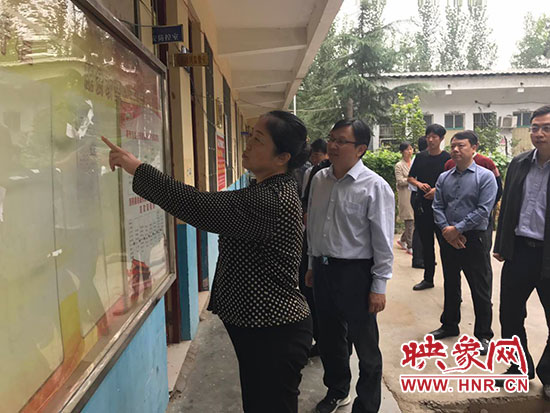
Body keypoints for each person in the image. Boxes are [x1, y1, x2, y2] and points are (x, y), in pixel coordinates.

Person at [103, 110, 313, 413]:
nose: (247, 144)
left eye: (258, 140)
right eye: (250, 135)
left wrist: (137, 168)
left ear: (282, 157)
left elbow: (200, 206)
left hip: (274, 332)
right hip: (265, 329)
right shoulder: (267, 189)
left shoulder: (269, 199)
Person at [305, 119, 394, 413]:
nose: (333, 145)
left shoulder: (375, 186)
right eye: (331, 139)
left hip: (356, 274)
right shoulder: (319, 179)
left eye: (341, 141)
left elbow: (383, 241)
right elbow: (314, 226)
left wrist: (379, 286)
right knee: (330, 338)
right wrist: (311, 263)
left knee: (365, 344)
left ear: (360, 149)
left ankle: (367, 404)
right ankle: (337, 390)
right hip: (323, 269)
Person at [493, 105, 550, 398]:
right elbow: (507, 208)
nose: (539, 134)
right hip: (519, 251)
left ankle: (549, 374)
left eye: (546, 128)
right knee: (510, 314)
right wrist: (501, 245)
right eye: (535, 127)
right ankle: (519, 366)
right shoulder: (519, 163)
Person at [430, 131, 497, 355]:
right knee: (450, 283)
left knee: (480, 288)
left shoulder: (485, 177)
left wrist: (457, 229)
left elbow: (484, 210)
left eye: (461, 145)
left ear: (474, 148)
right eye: (453, 146)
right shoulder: (444, 178)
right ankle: (449, 324)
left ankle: (483, 335)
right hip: (448, 239)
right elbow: (437, 206)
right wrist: (446, 230)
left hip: (474, 239)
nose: (456, 150)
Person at [407, 124, 451, 290]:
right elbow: (410, 177)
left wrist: (437, 191)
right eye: (428, 137)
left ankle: (451, 283)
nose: (431, 140)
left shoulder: (448, 159)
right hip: (423, 207)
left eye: (434, 137)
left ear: (441, 139)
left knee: (446, 246)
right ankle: (428, 279)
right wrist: (419, 184)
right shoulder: (420, 157)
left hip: (443, 209)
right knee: (426, 244)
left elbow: (455, 181)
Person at [299, 137, 330, 358]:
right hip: (311, 243)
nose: (315, 158)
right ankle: (319, 339)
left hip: (334, 253)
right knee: (310, 292)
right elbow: (306, 203)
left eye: (318, 153)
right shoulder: (315, 174)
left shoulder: (370, 184)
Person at [410, 136, 427, 268]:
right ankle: (418, 259)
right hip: (417, 195)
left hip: (420, 194)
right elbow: (411, 178)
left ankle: (425, 257)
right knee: (420, 228)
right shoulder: (420, 158)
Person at [395, 142, 414, 254]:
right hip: (405, 195)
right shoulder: (399, 165)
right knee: (409, 220)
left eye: (411, 149)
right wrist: (411, 180)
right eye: (407, 149)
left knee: (413, 220)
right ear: (402, 152)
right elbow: (400, 181)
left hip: (414, 194)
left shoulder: (414, 162)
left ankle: (403, 239)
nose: (410, 151)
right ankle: (410, 246)